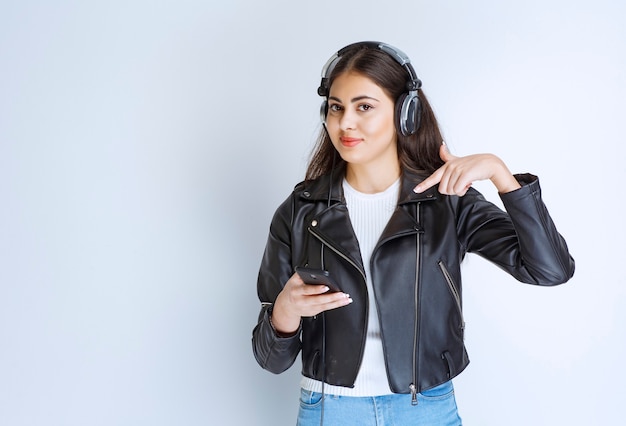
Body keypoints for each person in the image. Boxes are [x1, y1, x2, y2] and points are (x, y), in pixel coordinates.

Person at [252, 41, 575, 426]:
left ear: (406, 114)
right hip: (329, 410)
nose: (345, 123)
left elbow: (550, 270)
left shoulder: (448, 201)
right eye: (336, 107)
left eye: (364, 106)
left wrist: (500, 175)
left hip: (426, 410)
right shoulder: (301, 209)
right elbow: (271, 360)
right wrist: (284, 314)